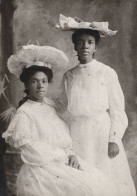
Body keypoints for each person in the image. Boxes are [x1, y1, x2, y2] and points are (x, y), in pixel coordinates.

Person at [2, 45, 118, 196]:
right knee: (85, 190)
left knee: (103, 184)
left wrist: (71, 155)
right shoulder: (24, 113)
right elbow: (31, 149)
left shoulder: (51, 105)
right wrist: (61, 155)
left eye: (44, 81)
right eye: (34, 82)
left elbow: (62, 136)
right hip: (42, 169)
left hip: (63, 162)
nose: (40, 86)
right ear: (26, 85)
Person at [56, 14, 136, 196]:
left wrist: (114, 139)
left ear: (95, 47)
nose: (85, 46)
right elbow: (62, 106)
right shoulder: (69, 76)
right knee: (81, 180)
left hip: (101, 132)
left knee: (106, 178)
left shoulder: (106, 72)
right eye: (81, 42)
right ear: (75, 46)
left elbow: (117, 109)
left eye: (90, 42)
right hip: (77, 133)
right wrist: (40, 103)